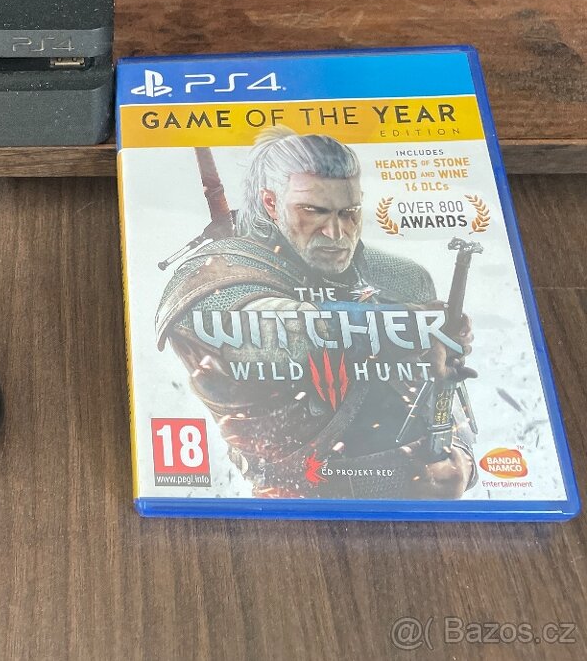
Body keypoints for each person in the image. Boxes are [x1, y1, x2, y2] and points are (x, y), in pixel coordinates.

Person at [155, 129, 476, 498]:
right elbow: (266, 334)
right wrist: (406, 325)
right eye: (314, 211)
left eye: (349, 212)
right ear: (271, 203)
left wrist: (461, 459)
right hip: (295, 499)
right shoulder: (214, 276)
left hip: (420, 502)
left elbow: (442, 386)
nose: (336, 232)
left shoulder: (402, 279)